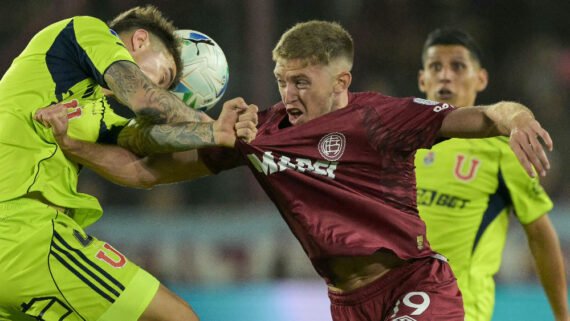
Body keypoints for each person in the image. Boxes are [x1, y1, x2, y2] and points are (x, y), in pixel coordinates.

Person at [38, 20, 553, 321]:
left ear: (341, 81)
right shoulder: (257, 132)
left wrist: (520, 119)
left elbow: (487, 116)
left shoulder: (382, 118)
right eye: (283, 80)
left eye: (302, 82)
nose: (289, 93)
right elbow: (143, 173)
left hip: (413, 283)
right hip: (347, 303)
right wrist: (72, 146)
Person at [0, 5, 257, 321]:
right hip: (21, 232)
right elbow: (142, 96)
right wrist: (209, 124)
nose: (162, 89)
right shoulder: (83, 31)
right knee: (177, 318)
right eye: (164, 77)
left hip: (17, 249)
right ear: (139, 41)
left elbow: (142, 159)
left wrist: (226, 146)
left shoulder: (96, 113)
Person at [414, 28, 568, 321]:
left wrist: (563, 316)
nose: (445, 76)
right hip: (394, 309)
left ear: (481, 78)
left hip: (460, 311)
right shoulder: (401, 144)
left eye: (458, 66)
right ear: (423, 79)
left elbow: (540, 234)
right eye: (436, 67)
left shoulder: (502, 150)